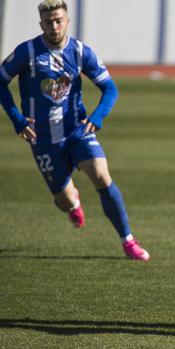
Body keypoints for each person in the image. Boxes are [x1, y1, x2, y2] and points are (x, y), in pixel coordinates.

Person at [0, 0, 149, 261]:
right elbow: (1, 83)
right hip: (44, 139)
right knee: (64, 200)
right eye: (48, 22)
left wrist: (98, 116)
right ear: (41, 24)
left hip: (77, 130)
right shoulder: (28, 52)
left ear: (67, 20)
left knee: (102, 176)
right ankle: (73, 204)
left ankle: (128, 241)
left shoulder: (81, 52)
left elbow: (110, 89)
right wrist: (17, 119)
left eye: (59, 20)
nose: (54, 26)